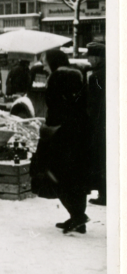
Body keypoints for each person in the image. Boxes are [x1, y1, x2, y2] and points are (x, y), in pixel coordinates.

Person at [30, 49, 90, 234]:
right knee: (75, 176)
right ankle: (78, 218)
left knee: (56, 174)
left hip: (59, 134)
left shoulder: (57, 78)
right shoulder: (78, 76)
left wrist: (48, 129)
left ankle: (77, 216)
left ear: (54, 62)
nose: (44, 65)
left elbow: (55, 107)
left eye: (45, 61)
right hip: (78, 133)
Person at [86, 42, 106, 206]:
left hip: (99, 125)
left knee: (101, 158)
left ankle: (103, 194)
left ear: (97, 57)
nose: (88, 60)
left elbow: (92, 105)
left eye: (90, 56)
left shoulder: (96, 77)